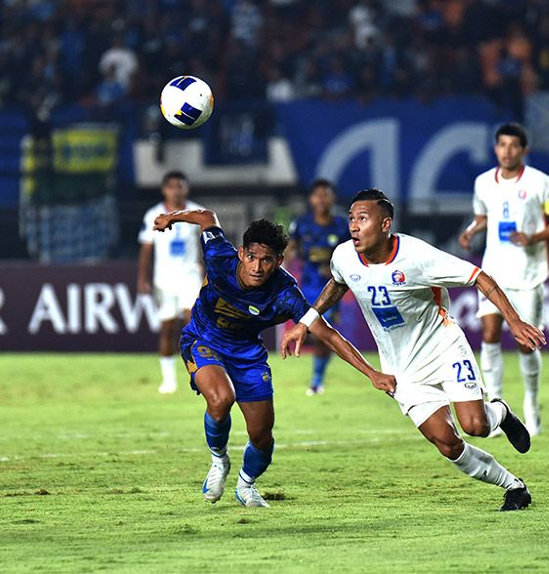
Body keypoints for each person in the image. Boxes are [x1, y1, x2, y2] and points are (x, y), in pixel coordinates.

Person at [282, 189, 546, 511]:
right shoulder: (344, 256)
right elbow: (338, 282)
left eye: (362, 219)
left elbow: (478, 277)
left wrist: (514, 322)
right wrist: (306, 321)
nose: (353, 226)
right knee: (448, 444)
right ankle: (514, 487)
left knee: (476, 426)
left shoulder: (417, 256)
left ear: (384, 224)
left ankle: (500, 411)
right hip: (400, 367)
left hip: (442, 346)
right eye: (351, 218)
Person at [153, 207, 395, 507]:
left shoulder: (285, 293)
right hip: (203, 340)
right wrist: (172, 218)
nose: (257, 267)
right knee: (220, 399)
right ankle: (218, 461)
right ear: (241, 253)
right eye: (252, 257)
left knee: (262, 437)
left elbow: (329, 334)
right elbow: (207, 216)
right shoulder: (218, 257)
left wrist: (372, 373)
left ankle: (245, 485)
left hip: (248, 354)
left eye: (266, 260)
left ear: (279, 261)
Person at [459, 123, 549, 435]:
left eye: (513, 145)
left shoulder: (540, 183)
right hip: (493, 273)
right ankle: (497, 410)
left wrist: (534, 237)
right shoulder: (483, 183)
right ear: (495, 149)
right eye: (502, 145)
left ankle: (532, 406)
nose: (507, 151)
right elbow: (483, 216)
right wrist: (471, 230)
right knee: (490, 334)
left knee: (526, 343)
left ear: (524, 150)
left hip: (528, 274)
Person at [138, 171, 204, 393]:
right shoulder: (152, 215)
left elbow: (207, 244)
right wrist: (142, 279)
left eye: (180, 186)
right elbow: (146, 249)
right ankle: (168, 379)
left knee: (192, 324)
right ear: (164, 189)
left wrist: (208, 271)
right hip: (164, 280)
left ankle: (198, 374)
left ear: (186, 189)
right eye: (171, 186)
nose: (176, 190)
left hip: (190, 276)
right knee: (167, 329)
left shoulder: (197, 213)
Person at [286, 178, 350, 395]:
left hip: (332, 288)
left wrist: (336, 268)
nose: (321, 199)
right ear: (311, 199)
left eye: (326, 194)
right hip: (308, 286)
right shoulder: (301, 224)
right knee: (311, 332)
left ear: (333, 198)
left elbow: (354, 253)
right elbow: (290, 249)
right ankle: (317, 375)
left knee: (324, 333)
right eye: (317, 194)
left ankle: (316, 380)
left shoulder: (343, 226)